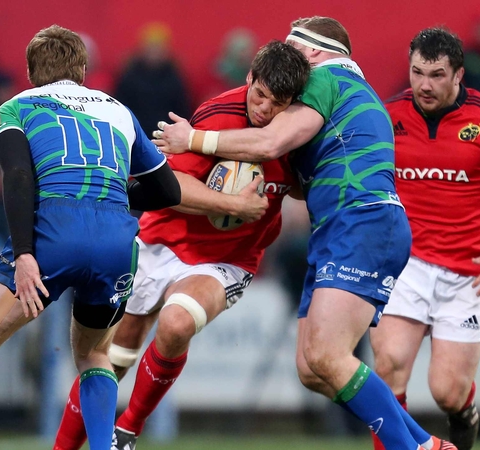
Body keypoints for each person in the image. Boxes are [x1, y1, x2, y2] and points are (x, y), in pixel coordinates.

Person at [158, 16, 452, 450]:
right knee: (311, 368)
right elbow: (299, 177)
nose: (290, 67)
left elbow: (269, 143)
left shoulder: (326, 78)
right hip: (343, 227)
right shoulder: (348, 93)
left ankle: (416, 449)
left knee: (327, 357)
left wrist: (193, 139)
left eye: (294, 52)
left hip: (361, 222)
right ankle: (427, 443)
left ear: (314, 52)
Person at [51, 40, 311, 450]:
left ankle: (128, 430)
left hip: (227, 259)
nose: (263, 110)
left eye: (276, 104)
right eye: (259, 95)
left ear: (292, 102)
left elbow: (301, 186)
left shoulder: (297, 133)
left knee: (176, 323)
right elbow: (170, 188)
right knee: (110, 359)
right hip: (161, 239)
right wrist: (234, 204)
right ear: (249, 78)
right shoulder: (216, 115)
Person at [0, 25, 180, 450]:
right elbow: (168, 192)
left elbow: (17, 176)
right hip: (117, 239)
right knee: (93, 355)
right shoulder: (118, 110)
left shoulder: (15, 107)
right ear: (83, 69)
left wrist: (23, 255)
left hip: (53, 230)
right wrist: (113, 193)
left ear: (32, 71)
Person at [369, 27, 480, 450]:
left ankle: (464, 415)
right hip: (403, 263)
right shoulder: (385, 115)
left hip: (468, 272)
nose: (424, 85)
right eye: (416, 73)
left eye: (435, 75)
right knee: (389, 366)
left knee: (446, 391)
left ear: (458, 75)